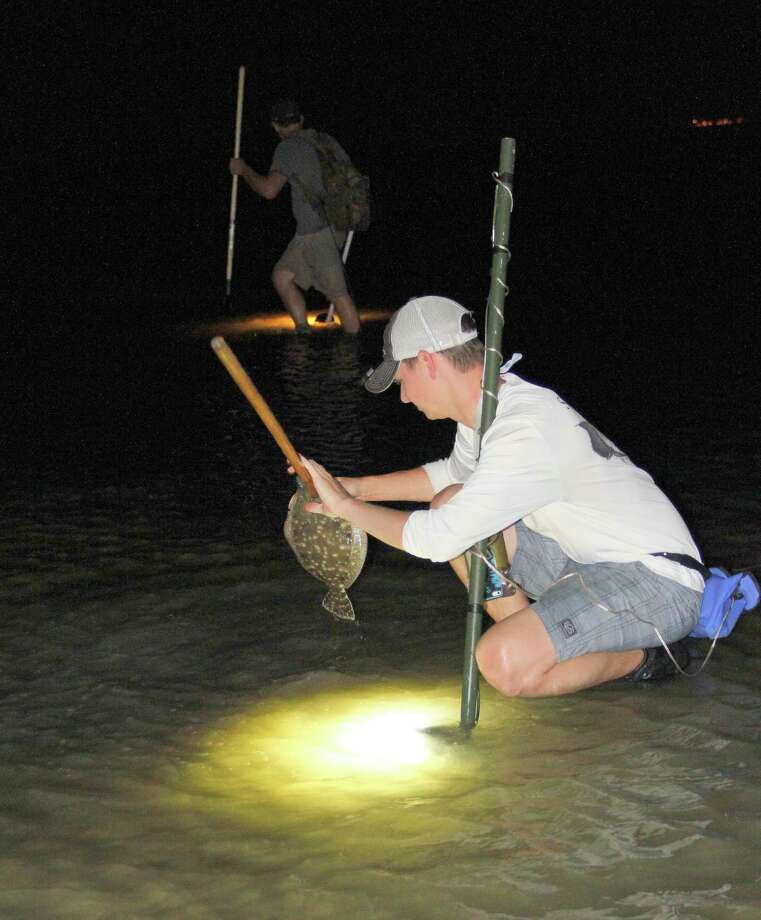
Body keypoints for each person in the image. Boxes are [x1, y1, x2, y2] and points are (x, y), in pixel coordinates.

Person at [299, 295, 705, 698]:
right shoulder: (489, 407)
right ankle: (541, 640)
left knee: (502, 662)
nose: (404, 397)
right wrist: (356, 487)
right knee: (450, 500)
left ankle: (646, 658)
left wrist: (348, 509)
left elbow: (437, 540)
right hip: (583, 561)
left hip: (658, 581)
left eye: (402, 381)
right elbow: (451, 476)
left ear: (427, 361)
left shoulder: (523, 427)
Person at [229, 98, 361, 334]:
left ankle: (354, 359)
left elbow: (269, 190)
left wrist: (244, 170)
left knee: (339, 295)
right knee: (282, 276)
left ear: (276, 126)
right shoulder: (325, 140)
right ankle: (303, 334)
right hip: (336, 223)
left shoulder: (287, 148)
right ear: (300, 120)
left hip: (318, 232)